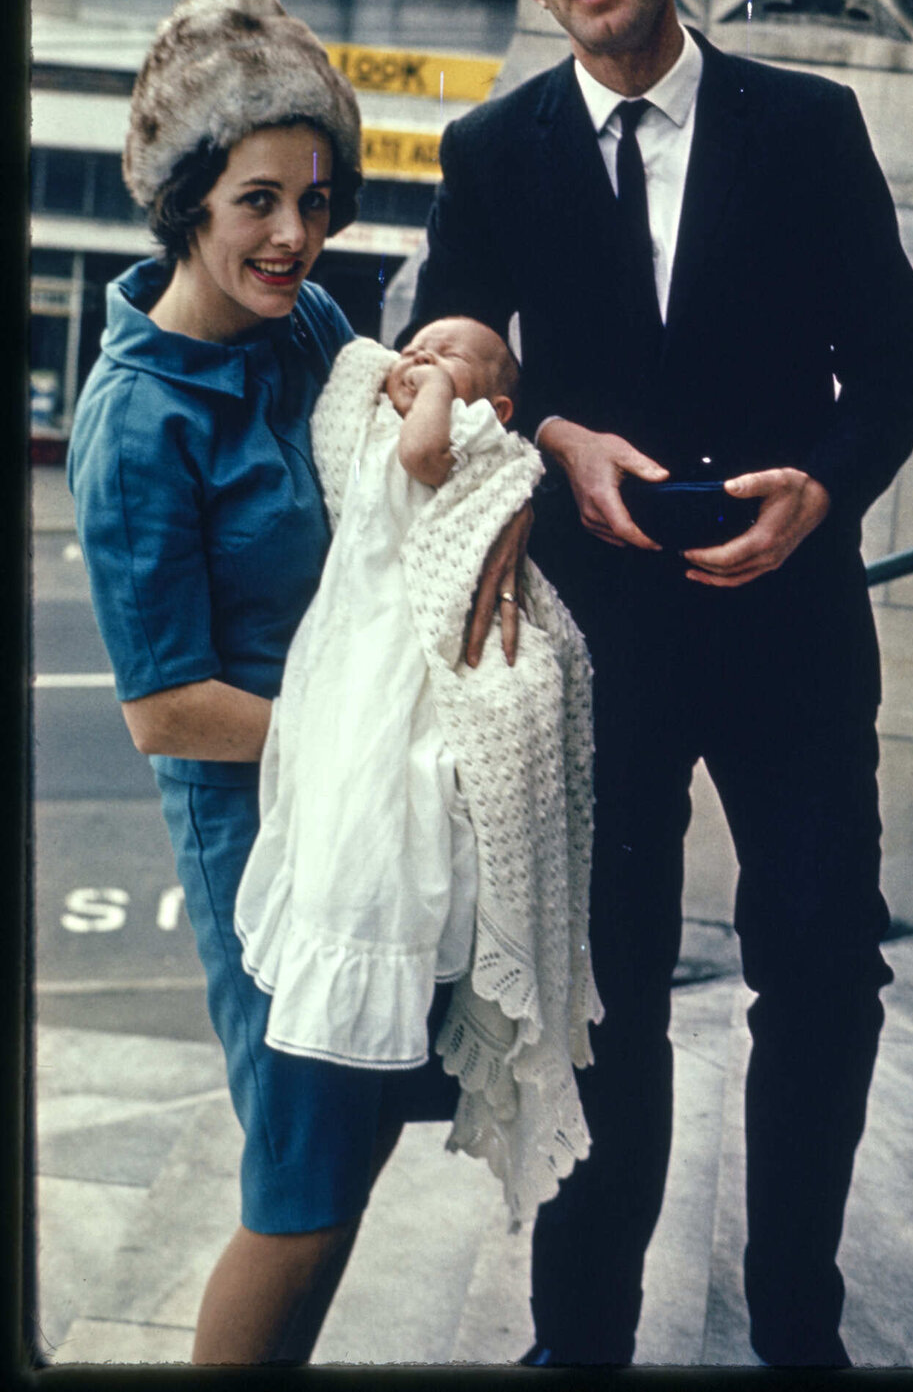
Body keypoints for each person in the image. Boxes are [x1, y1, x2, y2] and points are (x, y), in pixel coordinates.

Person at [400, 0, 913, 1368]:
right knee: (606, 996)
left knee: (825, 974)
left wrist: (822, 489)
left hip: (792, 622)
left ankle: (795, 1325)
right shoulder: (490, 151)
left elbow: (895, 366)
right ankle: (582, 1341)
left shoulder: (808, 124)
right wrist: (550, 427)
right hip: (598, 639)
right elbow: (455, 348)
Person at [67, 0, 455, 1365]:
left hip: (348, 805)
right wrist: (366, 740)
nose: (298, 235)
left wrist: (444, 383)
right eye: (256, 201)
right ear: (186, 203)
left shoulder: (295, 331)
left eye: (318, 196)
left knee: (340, 1164)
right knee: (294, 1188)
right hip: (260, 829)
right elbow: (166, 707)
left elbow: (393, 406)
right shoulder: (134, 422)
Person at [234, 316, 600, 1223]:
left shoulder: (476, 437)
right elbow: (349, 399)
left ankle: (398, 1003)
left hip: (406, 643)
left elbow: (428, 459)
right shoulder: (370, 402)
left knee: (411, 796)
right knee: (346, 821)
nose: (421, 357)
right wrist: (394, 375)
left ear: (495, 401)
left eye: (453, 355)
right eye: (417, 342)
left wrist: (431, 393)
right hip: (347, 635)